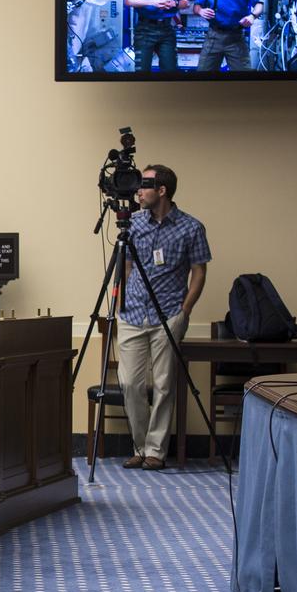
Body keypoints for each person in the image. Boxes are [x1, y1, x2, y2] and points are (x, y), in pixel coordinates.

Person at [117, 164, 211, 471]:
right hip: (132, 313)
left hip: (168, 314)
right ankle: (140, 446)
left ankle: (155, 450)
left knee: (164, 384)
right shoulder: (132, 224)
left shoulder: (191, 227)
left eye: (144, 184)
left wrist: (185, 311)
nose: (137, 190)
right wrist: (122, 300)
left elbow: (199, 271)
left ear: (162, 191)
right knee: (130, 383)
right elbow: (127, 265)